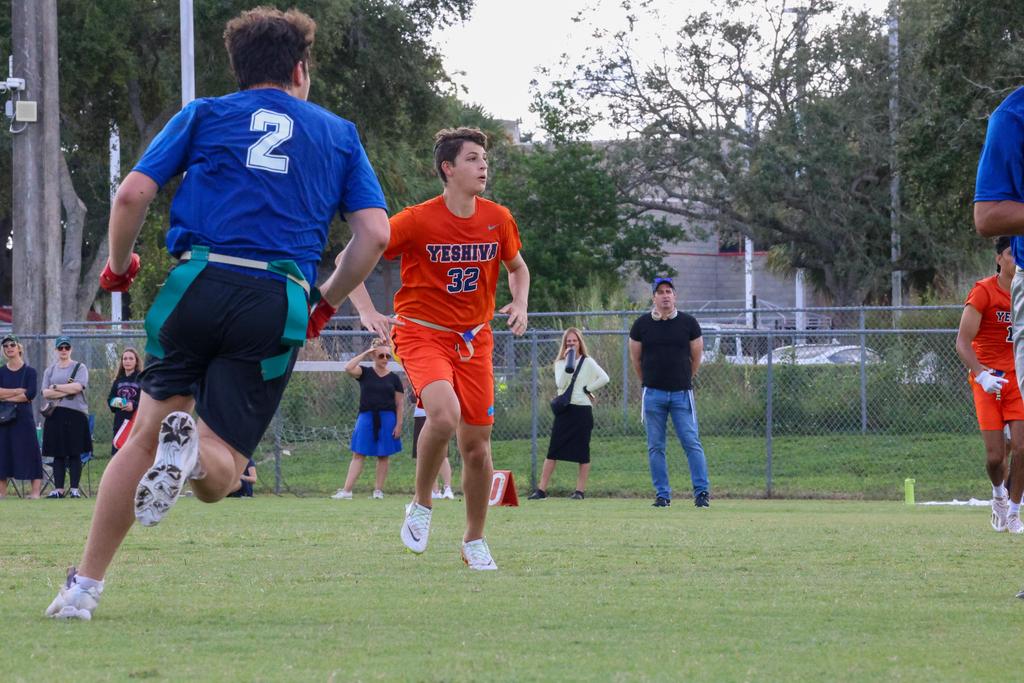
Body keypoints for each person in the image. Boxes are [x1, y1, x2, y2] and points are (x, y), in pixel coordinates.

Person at [45, 6, 389, 621]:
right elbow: (374, 236)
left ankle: (83, 589)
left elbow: (131, 194)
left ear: (240, 68)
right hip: (275, 294)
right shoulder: (339, 134)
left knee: (143, 436)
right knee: (222, 472)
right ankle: (194, 457)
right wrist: (326, 302)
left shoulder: (205, 113)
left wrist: (118, 267)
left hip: (197, 280)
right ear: (300, 69)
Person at [349, 126, 530, 571]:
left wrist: (521, 302)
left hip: (474, 340)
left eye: (484, 158)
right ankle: (421, 503)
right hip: (422, 333)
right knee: (444, 416)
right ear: (448, 169)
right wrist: (367, 310)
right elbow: (349, 256)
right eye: (472, 158)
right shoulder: (417, 220)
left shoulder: (498, 218)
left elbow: (518, 268)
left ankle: (474, 540)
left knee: (477, 448)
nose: (483, 165)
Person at [955, 237, 1024, 532]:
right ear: (998, 258)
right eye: (1011, 253)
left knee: (1022, 447)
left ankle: (1014, 512)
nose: (1016, 259)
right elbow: (962, 342)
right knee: (996, 457)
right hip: (989, 379)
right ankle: (998, 496)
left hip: (1018, 378)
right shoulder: (984, 291)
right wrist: (981, 375)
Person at [628, 277, 710, 508]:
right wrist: (649, 382)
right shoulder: (641, 325)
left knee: (691, 442)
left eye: (669, 291)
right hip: (653, 395)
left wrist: (684, 379)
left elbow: (696, 357)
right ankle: (662, 495)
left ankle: (701, 493)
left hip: (681, 394)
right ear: (654, 297)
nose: (665, 296)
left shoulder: (688, 323)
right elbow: (636, 360)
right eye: (660, 292)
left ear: (675, 296)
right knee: (656, 446)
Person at [529, 327, 609, 500]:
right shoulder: (560, 363)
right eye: (568, 341)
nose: (571, 344)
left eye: (574, 341)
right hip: (565, 410)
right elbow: (560, 384)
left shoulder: (588, 361)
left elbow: (605, 378)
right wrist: (568, 364)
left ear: (580, 343)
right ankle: (541, 490)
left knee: (583, 452)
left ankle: (579, 491)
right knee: (553, 450)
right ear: (565, 344)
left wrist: (588, 388)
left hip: (582, 410)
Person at [331, 343, 404, 499]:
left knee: (383, 455)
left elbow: (399, 404)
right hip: (366, 416)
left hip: (387, 418)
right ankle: (347, 491)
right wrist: (365, 353)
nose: (385, 359)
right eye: (381, 355)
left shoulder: (394, 378)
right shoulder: (365, 372)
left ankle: (378, 491)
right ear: (373, 356)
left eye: (388, 356)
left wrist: (399, 424)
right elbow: (348, 368)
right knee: (358, 453)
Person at [40, 336, 91, 500]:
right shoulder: (50, 370)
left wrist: (56, 387)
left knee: (75, 453)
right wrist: (65, 390)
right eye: (60, 348)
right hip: (55, 414)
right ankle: (59, 490)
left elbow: (78, 387)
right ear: (56, 350)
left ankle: (74, 489)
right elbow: (45, 393)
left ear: (71, 349)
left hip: (76, 414)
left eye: (66, 347)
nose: (63, 350)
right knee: (58, 453)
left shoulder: (80, 367)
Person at [0, 334, 43, 499]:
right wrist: (17, 391)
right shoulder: (1, 372)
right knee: (3, 452)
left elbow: (29, 394)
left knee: (31, 452)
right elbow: (20, 393)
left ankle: (35, 493)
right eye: (5, 346)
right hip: (4, 418)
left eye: (12, 345)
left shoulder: (29, 372)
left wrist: (5, 396)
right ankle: (2, 493)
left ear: (19, 348)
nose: (9, 348)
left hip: (24, 419)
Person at [411, 397, 455, 500]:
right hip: (421, 416)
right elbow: (413, 397)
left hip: (438, 415)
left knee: (442, 453)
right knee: (425, 455)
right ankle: (434, 491)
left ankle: (447, 489)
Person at [107, 347, 142, 456]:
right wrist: (118, 402)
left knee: (133, 456)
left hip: (134, 423)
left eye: (131, 358)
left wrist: (133, 405)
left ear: (136, 361)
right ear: (122, 362)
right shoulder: (118, 381)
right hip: (120, 423)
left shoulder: (142, 379)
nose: (127, 361)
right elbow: (110, 400)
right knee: (117, 455)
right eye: (125, 359)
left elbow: (146, 402)